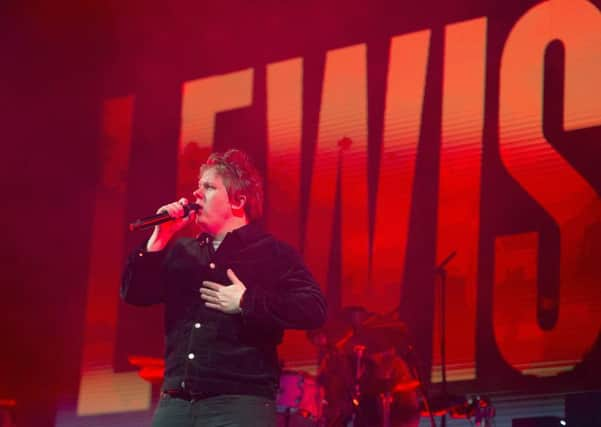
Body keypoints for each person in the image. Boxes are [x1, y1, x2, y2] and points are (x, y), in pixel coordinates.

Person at [121, 149, 327, 427]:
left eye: (208, 187)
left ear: (238, 200)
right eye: (198, 186)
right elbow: (135, 293)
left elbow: (314, 309)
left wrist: (247, 301)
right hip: (176, 403)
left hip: (238, 405)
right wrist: (160, 238)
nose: (196, 194)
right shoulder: (182, 251)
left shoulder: (272, 253)